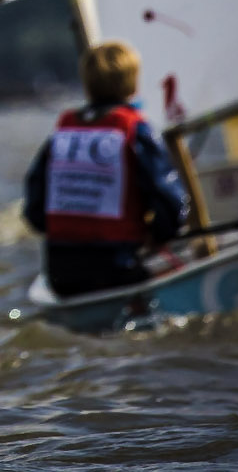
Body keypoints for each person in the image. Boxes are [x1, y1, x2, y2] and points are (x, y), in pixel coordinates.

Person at [23, 40, 193, 298]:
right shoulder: (136, 131)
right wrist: (158, 235)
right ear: (133, 82)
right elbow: (172, 206)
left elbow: (35, 210)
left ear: (87, 83)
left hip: (61, 273)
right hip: (117, 269)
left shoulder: (61, 136)